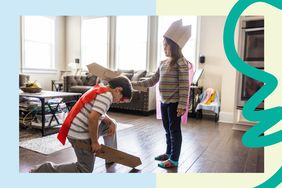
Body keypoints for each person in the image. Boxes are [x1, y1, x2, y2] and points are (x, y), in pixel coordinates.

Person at [30, 76, 133, 173]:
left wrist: (110, 121)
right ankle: (45, 169)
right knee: (85, 169)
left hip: (78, 128)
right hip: (79, 135)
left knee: (111, 125)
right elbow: (93, 119)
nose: (119, 102)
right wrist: (95, 142)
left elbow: (97, 112)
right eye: (122, 99)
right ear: (118, 90)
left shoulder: (102, 88)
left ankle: (110, 156)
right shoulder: (107, 97)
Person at [132, 19, 191, 168]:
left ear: (175, 46)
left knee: (174, 130)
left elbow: (184, 84)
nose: (164, 47)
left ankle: (174, 159)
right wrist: (135, 84)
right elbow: (152, 80)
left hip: (175, 103)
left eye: (167, 45)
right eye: (163, 44)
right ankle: (169, 153)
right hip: (164, 102)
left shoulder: (181, 62)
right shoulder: (162, 63)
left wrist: (182, 104)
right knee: (167, 129)